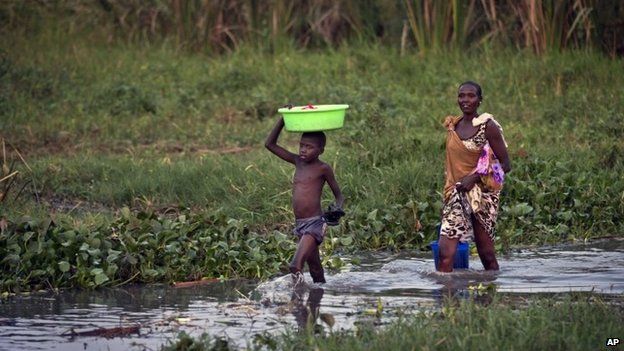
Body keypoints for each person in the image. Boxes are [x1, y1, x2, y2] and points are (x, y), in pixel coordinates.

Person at [438, 81, 511, 272]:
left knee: (486, 254)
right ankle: (446, 297)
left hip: (484, 196)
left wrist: (475, 178)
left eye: (471, 96)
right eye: (461, 95)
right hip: (457, 193)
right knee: (445, 253)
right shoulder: (454, 126)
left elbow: (505, 165)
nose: (465, 100)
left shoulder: (488, 127)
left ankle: (491, 293)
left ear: (480, 100)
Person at [265, 116, 344, 284]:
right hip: (300, 224)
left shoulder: (323, 168)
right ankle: (318, 298)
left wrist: (338, 208)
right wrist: (282, 120)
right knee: (315, 269)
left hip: (315, 223)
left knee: (295, 265)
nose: (303, 150)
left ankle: (298, 303)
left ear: (320, 150)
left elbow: (338, 194)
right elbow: (269, 145)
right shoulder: (297, 162)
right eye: (301, 145)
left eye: (309, 147)